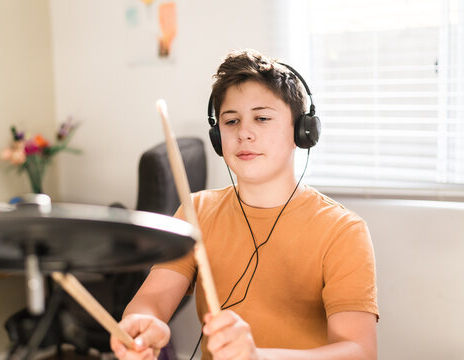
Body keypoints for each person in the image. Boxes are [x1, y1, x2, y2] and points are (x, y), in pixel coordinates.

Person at [110, 49, 378, 360]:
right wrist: (143, 324)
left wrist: (257, 356)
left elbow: (360, 352)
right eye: (231, 121)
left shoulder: (343, 231)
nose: (244, 133)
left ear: (301, 132)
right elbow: (152, 300)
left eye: (262, 118)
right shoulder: (196, 212)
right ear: (217, 135)